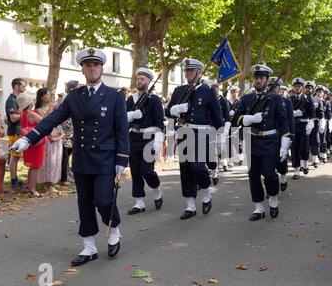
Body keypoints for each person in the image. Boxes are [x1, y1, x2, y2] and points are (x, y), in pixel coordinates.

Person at [11, 47, 130, 266]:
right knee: (84, 202)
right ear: (83, 70)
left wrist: (122, 159)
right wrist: (28, 139)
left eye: (95, 65)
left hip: (105, 158)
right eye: (87, 65)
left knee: (103, 200)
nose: (92, 68)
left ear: (102, 68)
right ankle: (89, 246)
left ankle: (114, 229)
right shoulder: (74, 96)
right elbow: (52, 119)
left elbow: (121, 129)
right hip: (83, 157)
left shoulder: (114, 96)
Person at [165, 58, 223, 220]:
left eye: (191, 70)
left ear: (198, 72)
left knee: (197, 166)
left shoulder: (207, 91)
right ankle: (190, 205)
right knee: (186, 169)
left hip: (200, 134)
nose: (187, 73)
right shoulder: (179, 90)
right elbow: (167, 111)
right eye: (186, 70)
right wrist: (176, 109)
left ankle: (206, 192)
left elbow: (217, 114)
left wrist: (220, 136)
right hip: (183, 132)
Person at [233, 65, 290, 221]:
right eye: (257, 77)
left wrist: (285, 141)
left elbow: (283, 121)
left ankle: (273, 200)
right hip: (252, 140)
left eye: (262, 78)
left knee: (269, 173)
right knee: (253, 175)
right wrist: (248, 119)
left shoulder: (276, 99)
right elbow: (235, 118)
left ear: (267, 80)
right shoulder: (247, 98)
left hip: (270, 141)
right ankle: (258, 208)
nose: (258, 80)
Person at [125, 67, 165, 215]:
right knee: (135, 172)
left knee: (147, 171)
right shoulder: (131, 99)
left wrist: (158, 141)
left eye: (142, 79)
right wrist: (131, 115)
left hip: (149, 138)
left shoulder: (154, 100)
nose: (139, 81)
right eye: (138, 78)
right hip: (134, 138)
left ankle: (157, 190)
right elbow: (122, 118)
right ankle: (139, 202)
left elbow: (159, 122)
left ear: (149, 81)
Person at [18, 93, 45, 197]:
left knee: (32, 166)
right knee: (36, 166)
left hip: (28, 141)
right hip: (36, 141)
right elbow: (44, 122)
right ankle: (32, 189)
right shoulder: (32, 114)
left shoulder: (22, 113)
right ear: (29, 103)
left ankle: (29, 187)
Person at [272, 77, 294, 191]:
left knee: (281, 159)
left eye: (275, 87)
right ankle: (271, 186)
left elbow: (290, 119)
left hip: (282, 135)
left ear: (279, 88)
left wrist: (291, 136)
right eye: (270, 86)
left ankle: (283, 177)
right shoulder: (265, 100)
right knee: (269, 162)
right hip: (269, 136)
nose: (273, 89)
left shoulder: (286, 101)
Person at [290, 78, 315, 179]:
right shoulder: (290, 99)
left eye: (299, 86)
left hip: (304, 125)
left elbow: (312, 114)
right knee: (294, 148)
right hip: (293, 126)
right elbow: (286, 113)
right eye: (295, 86)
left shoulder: (308, 99)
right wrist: (293, 114)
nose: (297, 88)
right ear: (293, 87)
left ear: (302, 88)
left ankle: (305, 164)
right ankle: (296, 170)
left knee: (304, 147)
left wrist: (311, 123)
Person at [5, 78, 26, 189]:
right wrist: (22, 114)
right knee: (14, 157)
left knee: (16, 157)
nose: (24, 88)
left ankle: (15, 179)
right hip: (14, 132)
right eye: (23, 86)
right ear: (17, 86)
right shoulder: (11, 100)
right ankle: (13, 181)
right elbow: (13, 118)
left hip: (17, 131)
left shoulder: (15, 99)